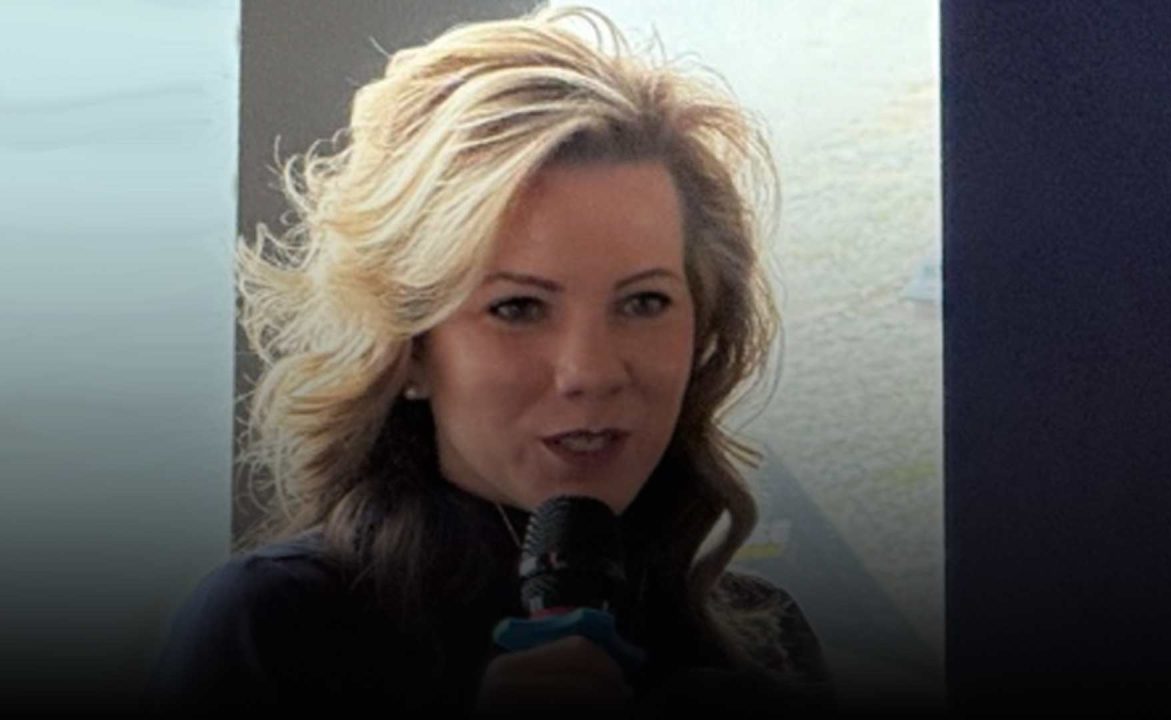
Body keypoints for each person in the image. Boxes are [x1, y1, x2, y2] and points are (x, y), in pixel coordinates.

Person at [148, 5, 832, 714]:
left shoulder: (764, 641)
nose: (590, 372)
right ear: (410, 348)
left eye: (644, 302)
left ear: (705, 326)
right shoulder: (271, 629)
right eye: (519, 308)